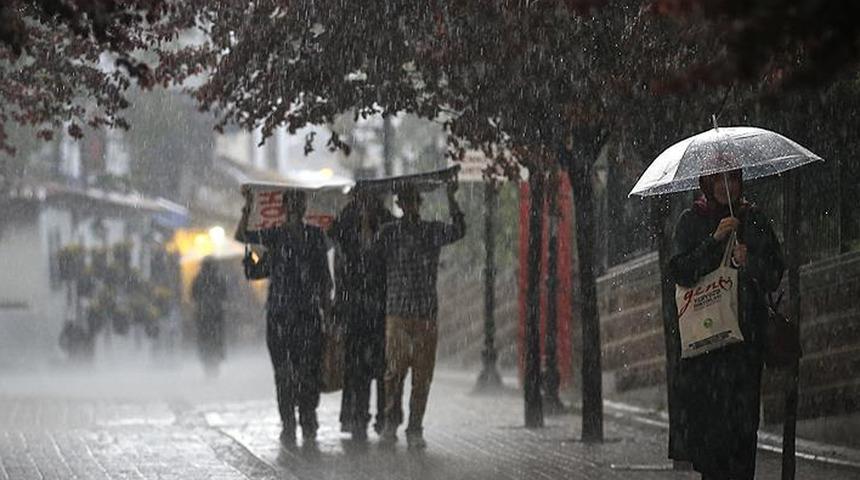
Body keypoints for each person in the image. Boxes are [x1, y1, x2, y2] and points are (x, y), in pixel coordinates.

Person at [668, 168, 784, 480]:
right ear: (706, 183)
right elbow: (680, 271)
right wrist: (714, 240)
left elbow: (774, 274)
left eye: (732, 178)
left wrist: (751, 261)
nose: (725, 186)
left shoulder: (753, 219)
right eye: (718, 179)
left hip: (744, 350)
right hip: (706, 353)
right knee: (712, 447)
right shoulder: (691, 221)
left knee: (743, 439)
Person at [236, 189, 332, 446]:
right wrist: (248, 207)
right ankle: (289, 422)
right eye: (291, 205)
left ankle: (308, 419)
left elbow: (324, 278)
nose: (295, 209)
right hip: (280, 316)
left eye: (298, 204)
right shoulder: (275, 236)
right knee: (284, 373)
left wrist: (328, 310)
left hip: (308, 315)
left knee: (308, 371)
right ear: (285, 208)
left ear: (303, 208)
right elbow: (243, 236)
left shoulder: (314, 237)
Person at [377, 181, 466, 449]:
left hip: (425, 312)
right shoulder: (389, 233)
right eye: (404, 201)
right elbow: (370, 256)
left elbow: (459, 230)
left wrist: (452, 199)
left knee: (422, 375)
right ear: (400, 205)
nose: (409, 206)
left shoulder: (431, 231)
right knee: (394, 372)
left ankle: (415, 426)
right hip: (398, 312)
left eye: (413, 200)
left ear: (418, 203)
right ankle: (391, 422)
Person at [330, 191, 393, 441]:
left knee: (381, 366)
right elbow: (341, 263)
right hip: (355, 308)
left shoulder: (386, 223)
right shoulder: (346, 222)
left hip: (379, 307)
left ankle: (382, 416)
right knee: (357, 367)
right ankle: (358, 416)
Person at [191, 256, 227, 377]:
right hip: (216, 315)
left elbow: (193, 295)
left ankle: (208, 365)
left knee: (205, 341)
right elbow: (225, 294)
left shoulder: (198, 279)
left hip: (203, 315)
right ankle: (214, 364)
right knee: (216, 340)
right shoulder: (219, 278)